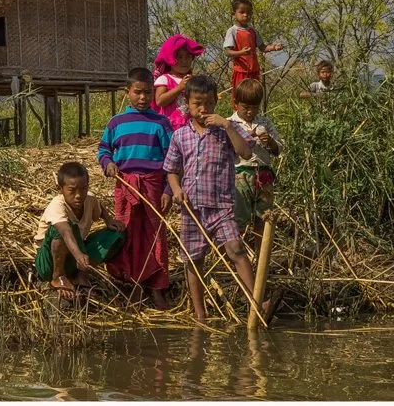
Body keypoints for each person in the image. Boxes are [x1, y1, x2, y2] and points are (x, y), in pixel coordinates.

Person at [162, 74, 256, 323]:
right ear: (188, 104)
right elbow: (171, 170)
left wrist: (227, 125)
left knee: (236, 249)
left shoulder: (225, 131)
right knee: (194, 260)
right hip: (192, 208)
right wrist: (176, 189)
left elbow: (245, 152)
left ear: (216, 103)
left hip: (222, 205)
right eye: (197, 103)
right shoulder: (180, 136)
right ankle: (200, 314)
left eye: (208, 104)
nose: (203, 109)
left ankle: (256, 304)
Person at [97, 67, 173, 309]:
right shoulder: (116, 122)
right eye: (137, 92)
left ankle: (157, 286)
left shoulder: (161, 123)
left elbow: (173, 159)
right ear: (127, 92)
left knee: (154, 236)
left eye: (148, 93)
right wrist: (108, 164)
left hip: (153, 186)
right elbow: (103, 150)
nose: (142, 98)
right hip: (126, 186)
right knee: (126, 232)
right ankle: (131, 283)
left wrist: (168, 191)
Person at [34, 162, 125, 299]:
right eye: (71, 190)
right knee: (63, 228)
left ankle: (81, 275)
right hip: (49, 263)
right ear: (61, 189)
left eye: (83, 189)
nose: (78, 195)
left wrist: (109, 220)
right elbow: (65, 232)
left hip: (74, 256)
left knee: (116, 235)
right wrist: (78, 255)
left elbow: (98, 206)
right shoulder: (57, 206)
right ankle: (58, 276)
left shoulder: (89, 199)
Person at [231, 79, 282, 256]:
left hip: (263, 176)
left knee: (264, 217)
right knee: (238, 219)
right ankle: (236, 256)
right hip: (239, 176)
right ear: (236, 103)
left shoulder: (265, 123)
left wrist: (271, 142)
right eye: (246, 107)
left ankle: (262, 257)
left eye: (255, 107)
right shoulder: (230, 124)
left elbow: (278, 150)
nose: (250, 112)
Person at [223, 0, 284, 108]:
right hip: (241, 70)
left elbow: (263, 47)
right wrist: (240, 53)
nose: (246, 15)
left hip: (254, 70)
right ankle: (238, 120)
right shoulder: (233, 31)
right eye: (242, 12)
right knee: (240, 97)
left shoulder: (252, 31)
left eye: (249, 13)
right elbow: (227, 51)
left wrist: (274, 47)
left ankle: (253, 118)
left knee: (254, 97)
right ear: (234, 13)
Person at [152, 34, 205, 131]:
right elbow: (159, 101)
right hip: (169, 127)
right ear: (170, 59)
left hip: (191, 127)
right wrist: (179, 87)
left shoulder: (193, 80)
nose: (184, 61)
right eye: (179, 57)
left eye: (188, 57)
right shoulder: (164, 79)